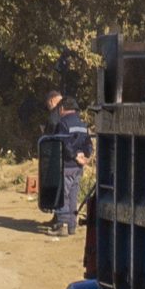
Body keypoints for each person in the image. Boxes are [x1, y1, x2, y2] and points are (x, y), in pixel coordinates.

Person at [46, 91, 91, 238]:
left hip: (66, 165)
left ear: (62, 108)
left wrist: (74, 156)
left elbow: (63, 143)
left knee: (62, 195)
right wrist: (84, 156)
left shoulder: (63, 123)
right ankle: (72, 226)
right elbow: (88, 145)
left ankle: (62, 225)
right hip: (78, 167)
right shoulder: (82, 124)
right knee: (73, 195)